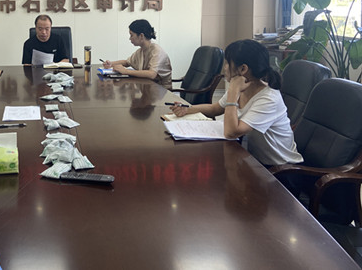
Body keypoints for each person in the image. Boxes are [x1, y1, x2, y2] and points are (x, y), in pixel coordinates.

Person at [170, 39, 303, 167]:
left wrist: (233, 93)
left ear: (243, 69)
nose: (225, 68)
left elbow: (231, 132)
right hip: (254, 160)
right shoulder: (241, 87)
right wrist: (188, 109)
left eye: (227, 63)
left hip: (280, 169)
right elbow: (215, 108)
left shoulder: (268, 98)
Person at [102, 19, 172, 89]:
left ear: (141, 36)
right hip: (148, 88)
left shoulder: (157, 51)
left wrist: (126, 71)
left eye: (131, 35)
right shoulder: (141, 50)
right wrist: (111, 64)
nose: (130, 38)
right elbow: (127, 62)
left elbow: (152, 74)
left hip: (162, 91)